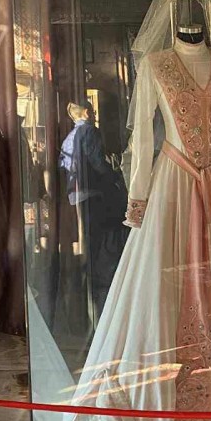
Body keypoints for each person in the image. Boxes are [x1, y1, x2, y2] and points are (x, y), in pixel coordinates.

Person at [59, 101, 129, 318]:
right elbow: (98, 162)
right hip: (93, 194)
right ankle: (102, 298)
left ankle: (88, 299)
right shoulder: (90, 131)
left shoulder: (69, 137)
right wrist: (116, 178)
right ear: (88, 112)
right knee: (100, 247)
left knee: (87, 243)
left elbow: (64, 166)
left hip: (75, 196)